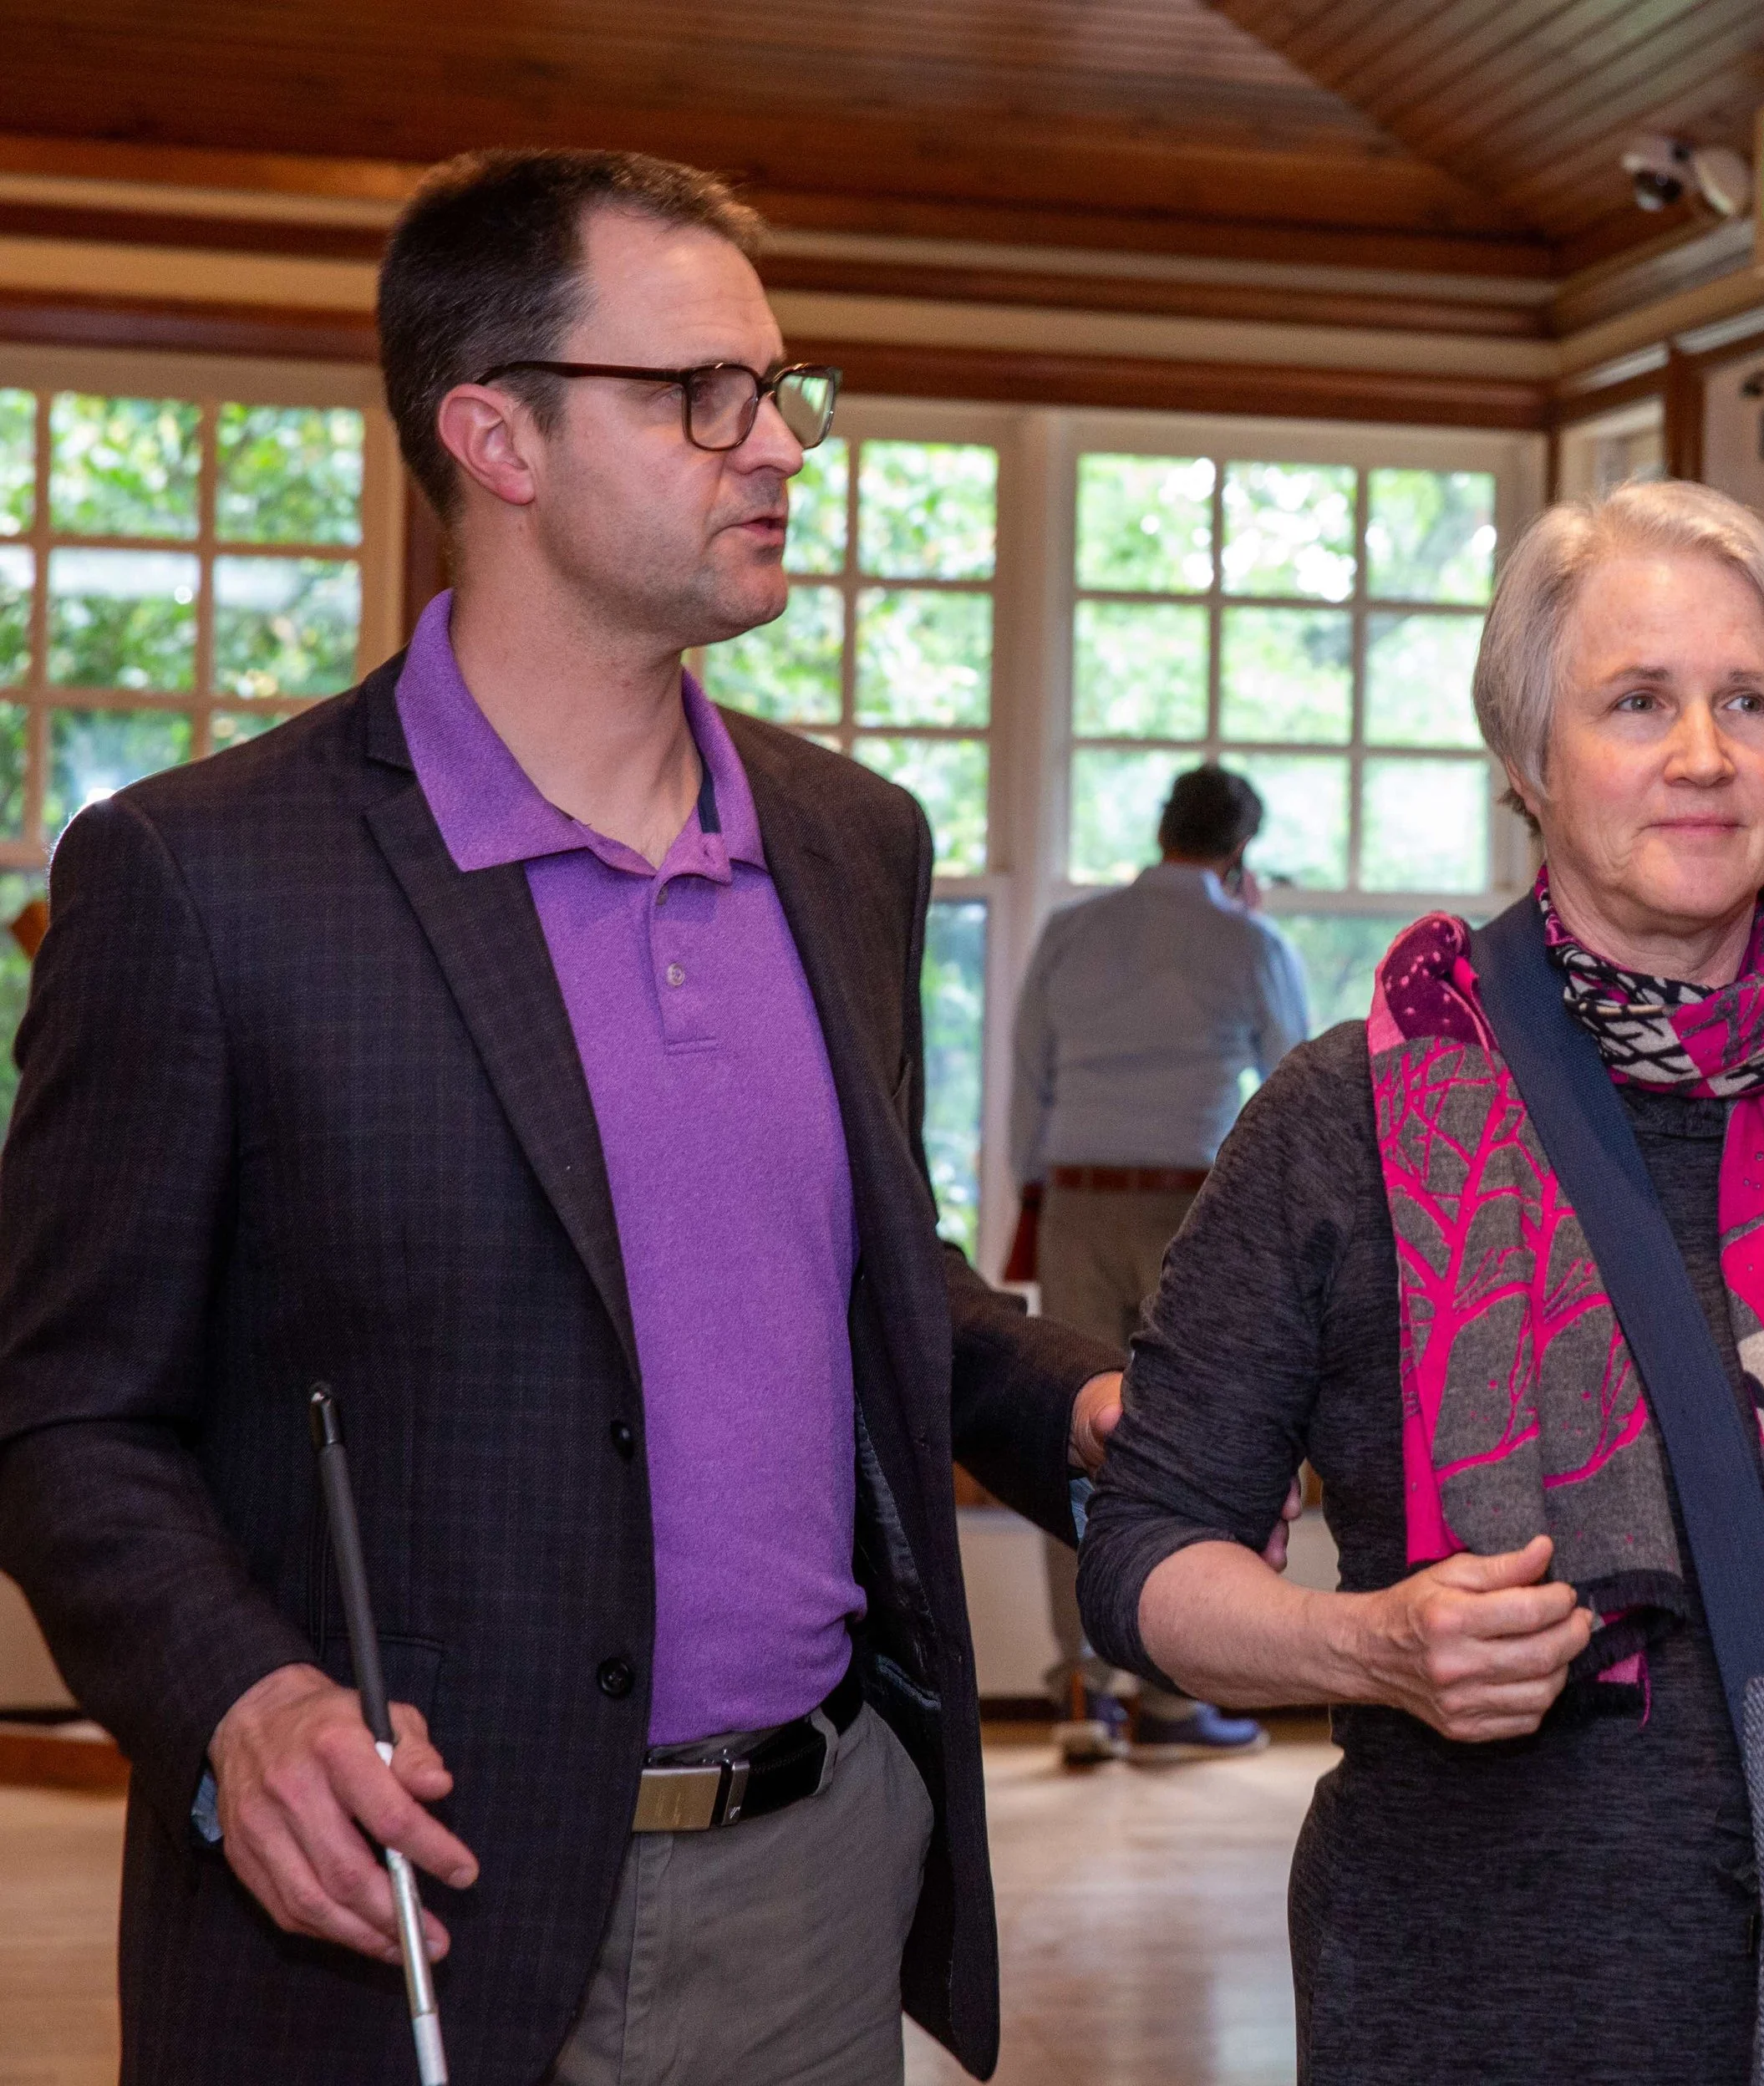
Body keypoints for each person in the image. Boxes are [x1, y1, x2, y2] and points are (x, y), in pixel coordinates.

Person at [0, 149, 1126, 2086]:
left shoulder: (851, 845)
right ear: (494, 433)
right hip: (399, 1915)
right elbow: (60, 1408)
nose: (779, 445)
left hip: (816, 1891)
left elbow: (874, 1281)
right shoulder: (196, 878)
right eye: (705, 394)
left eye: (784, 389)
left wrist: (1091, 1414)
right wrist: (239, 1696)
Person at [1076, 477, 1764, 2082]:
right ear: (1529, 762)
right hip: (1492, 1991)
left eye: (1748, 700)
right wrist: (1372, 1644)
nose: (1703, 754)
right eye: (1638, 702)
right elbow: (1144, 1557)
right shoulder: (1350, 1117)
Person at [1008, 764, 1308, 1763]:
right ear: (1238, 849)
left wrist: (1029, 1191)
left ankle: (1081, 1693)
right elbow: (1294, 1088)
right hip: (1195, 1202)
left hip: (1077, 1194)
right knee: (1191, 1435)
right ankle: (1173, 1694)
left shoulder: (1071, 931)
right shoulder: (1249, 941)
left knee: (1067, 1424)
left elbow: (1027, 1078)